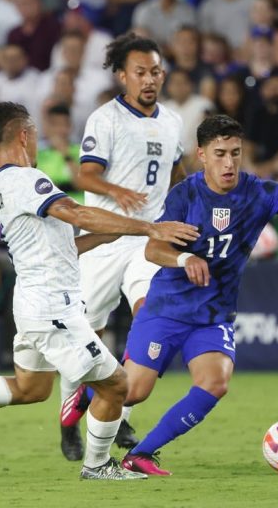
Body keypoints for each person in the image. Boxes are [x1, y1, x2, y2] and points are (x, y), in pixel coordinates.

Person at [0, 101, 199, 480]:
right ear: (24, 135)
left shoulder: (0, 185)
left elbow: (68, 245)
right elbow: (75, 213)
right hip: (52, 307)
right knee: (115, 386)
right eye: (36, 134)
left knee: (31, 388)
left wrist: (129, 228)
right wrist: (149, 229)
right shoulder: (27, 181)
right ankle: (98, 466)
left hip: (31, 301)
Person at [60, 114, 278, 475]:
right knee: (132, 391)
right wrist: (184, 258)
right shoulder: (185, 195)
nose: (229, 162)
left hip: (213, 313)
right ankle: (85, 396)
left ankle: (141, 454)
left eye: (235, 152)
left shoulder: (259, 193)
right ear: (201, 154)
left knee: (216, 382)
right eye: (220, 154)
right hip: (167, 308)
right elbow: (154, 251)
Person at [62, 33, 186, 461]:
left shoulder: (172, 122)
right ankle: (71, 413)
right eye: (140, 72)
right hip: (105, 239)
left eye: (155, 71)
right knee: (86, 333)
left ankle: (118, 404)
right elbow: (85, 177)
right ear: (122, 76)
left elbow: (177, 173)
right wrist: (117, 190)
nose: (149, 79)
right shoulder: (105, 118)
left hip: (146, 241)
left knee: (149, 312)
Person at [37, 104, 83, 203]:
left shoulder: (82, 151)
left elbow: (81, 183)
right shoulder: (38, 155)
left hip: (81, 208)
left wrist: (65, 154)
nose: (60, 130)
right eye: (55, 125)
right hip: (51, 212)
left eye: (64, 125)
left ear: (70, 126)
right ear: (47, 127)